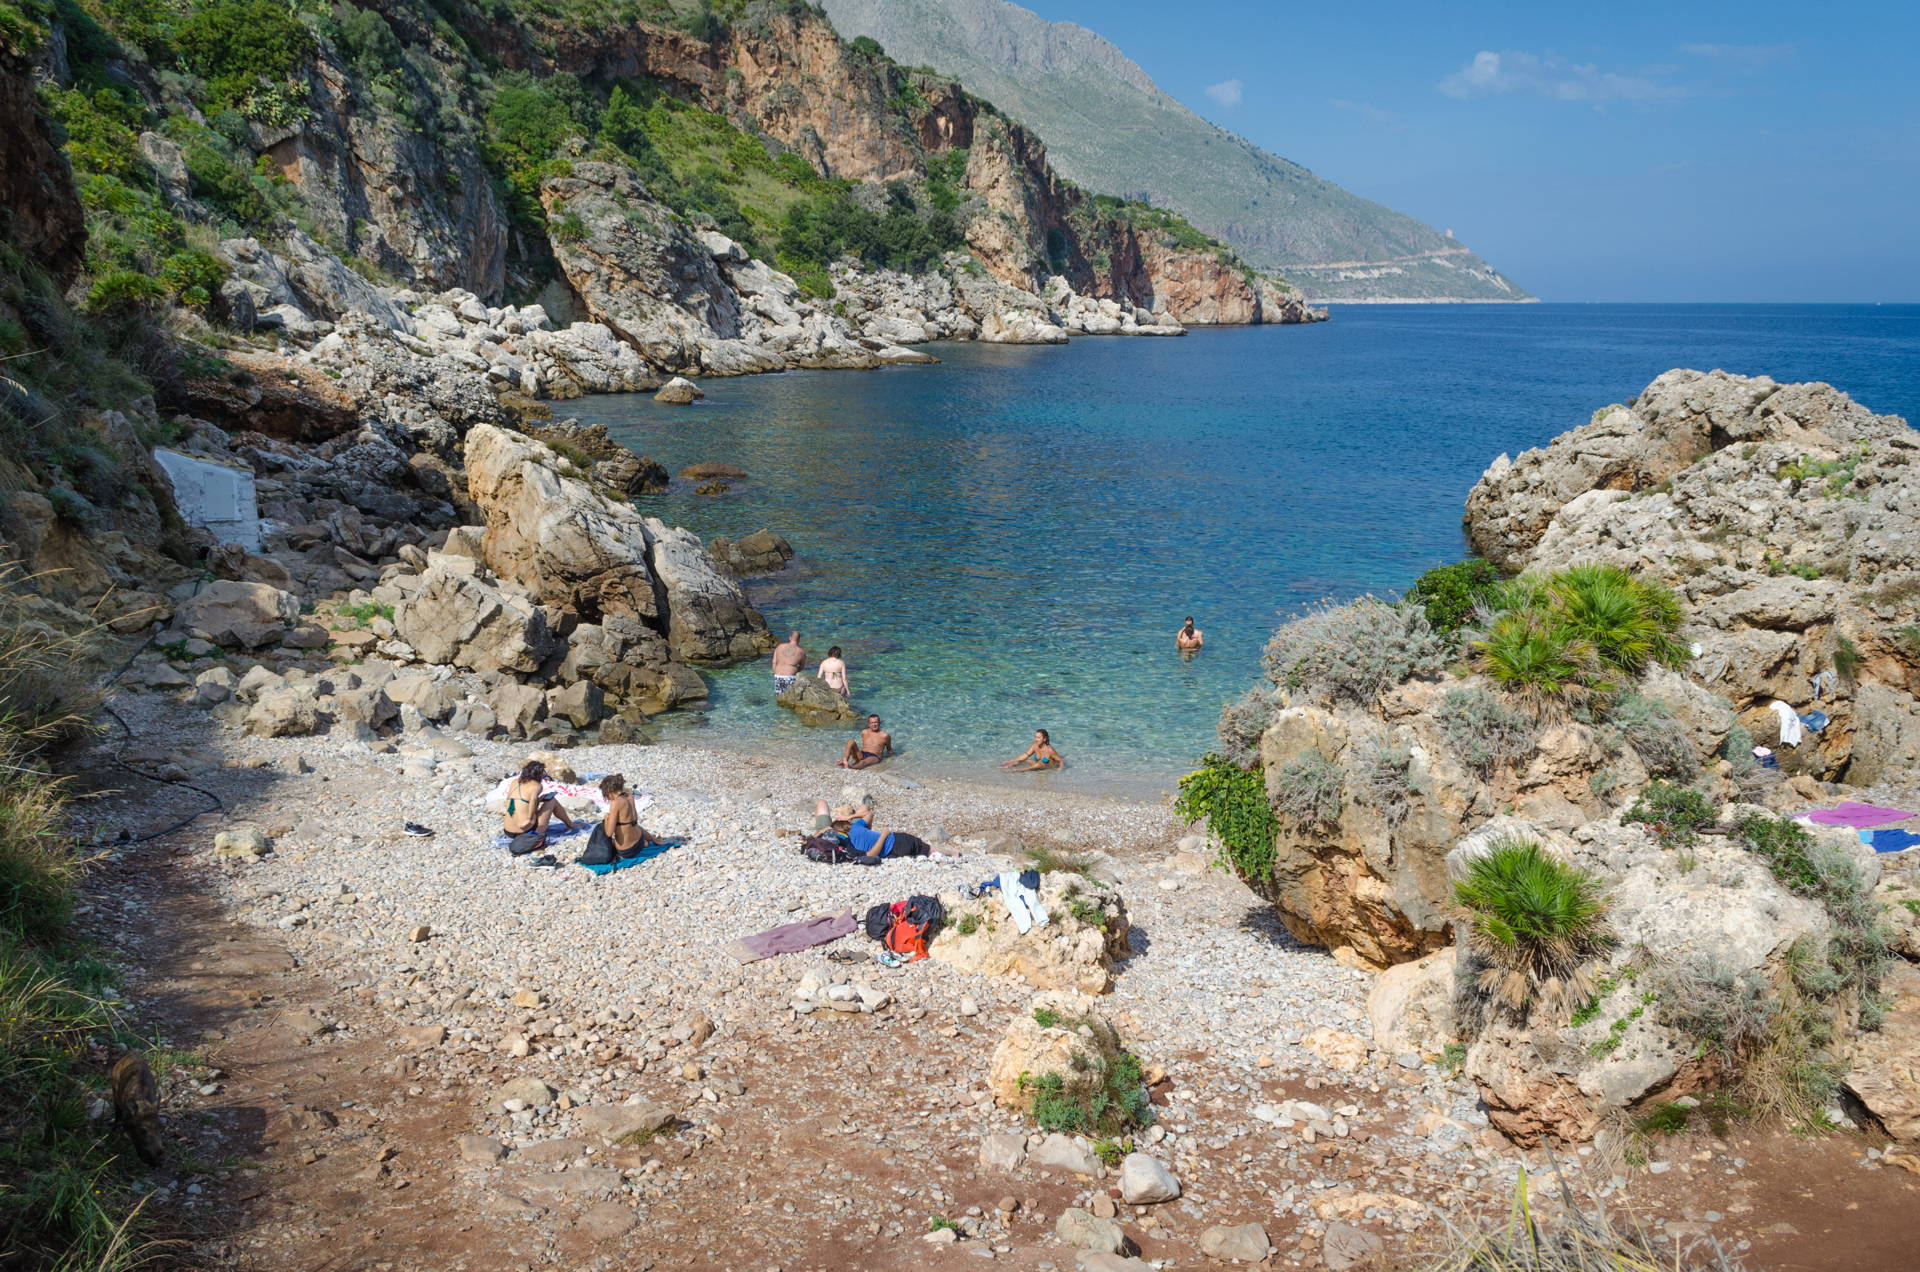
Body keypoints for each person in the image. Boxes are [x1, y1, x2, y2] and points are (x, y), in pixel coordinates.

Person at [811, 799, 933, 859]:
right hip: (890, 844)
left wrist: (823, 830)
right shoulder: (853, 831)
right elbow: (870, 854)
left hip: (825, 835)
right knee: (822, 802)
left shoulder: (850, 834)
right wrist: (849, 816)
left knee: (822, 802)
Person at [502, 760, 578, 841]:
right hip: (523, 832)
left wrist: (540, 800)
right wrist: (530, 819)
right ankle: (570, 825)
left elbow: (510, 802)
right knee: (552, 800)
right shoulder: (536, 786)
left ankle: (570, 824)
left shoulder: (515, 782)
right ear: (539, 774)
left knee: (542, 801)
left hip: (508, 831)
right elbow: (533, 801)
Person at [598, 774, 657, 856]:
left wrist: (607, 819)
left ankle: (646, 842)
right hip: (638, 843)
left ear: (608, 791)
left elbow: (609, 833)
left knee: (601, 840)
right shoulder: (629, 797)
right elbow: (634, 821)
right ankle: (651, 840)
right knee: (632, 824)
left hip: (626, 850)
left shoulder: (615, 803)